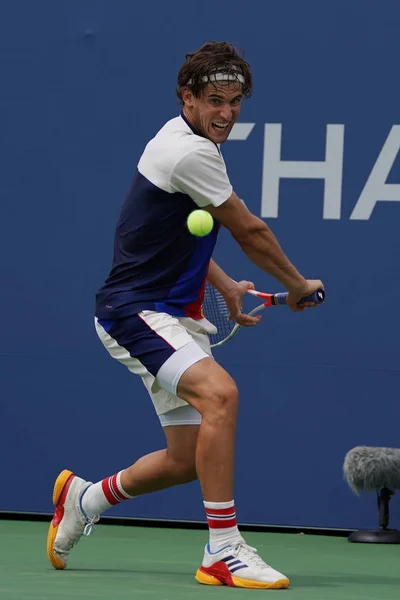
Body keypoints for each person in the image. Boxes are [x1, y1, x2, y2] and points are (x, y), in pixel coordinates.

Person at [47, 41, 323, 589]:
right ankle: (223, 550)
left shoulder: (191, 142)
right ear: (187, 99)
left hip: (165, 311)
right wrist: (296, 286)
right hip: (135, 313)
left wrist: (223, 286)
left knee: (187, 459)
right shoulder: (189, 151)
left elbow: (175, 234)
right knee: (222, 395)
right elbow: (250, 231)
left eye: (235, 101)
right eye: (214, 100)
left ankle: (84, 497)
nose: (226, 113)